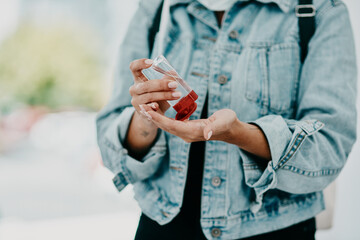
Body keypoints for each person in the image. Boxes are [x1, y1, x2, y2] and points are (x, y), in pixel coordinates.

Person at [96, 0, 357, 239]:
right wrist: (146, 120)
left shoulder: (320, 10)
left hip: (273, 229)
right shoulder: (157, 8)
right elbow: (111, 144)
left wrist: (240, 133)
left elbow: (330, 145)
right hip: (162, 227)